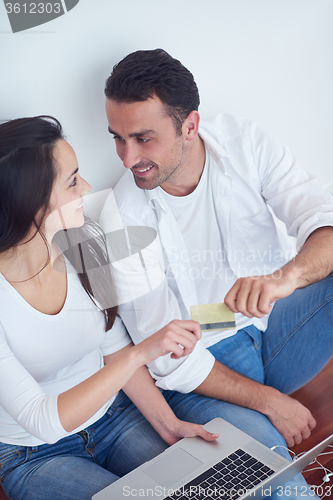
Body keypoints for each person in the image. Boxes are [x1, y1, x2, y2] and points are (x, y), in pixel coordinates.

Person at [100, 49, 333, 499]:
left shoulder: (244, 142)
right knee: (271, 486)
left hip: (269, 322)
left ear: (190, 125)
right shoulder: (119, 218)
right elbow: (170, 359)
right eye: (117, 138)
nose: (128, 159)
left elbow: (322, 221)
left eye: (144, 139)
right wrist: (271, 403)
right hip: (200, 367)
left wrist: (286, 278)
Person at [0, 116, 218, 500]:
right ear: (28, 200)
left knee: (203, 490)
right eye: (72, 181)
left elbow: (112, 347)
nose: (86, 187)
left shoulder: (81, 245)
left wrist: (168, 426)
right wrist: (140, 354)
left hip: (114, 418)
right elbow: (43, 421)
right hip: (31, 453)